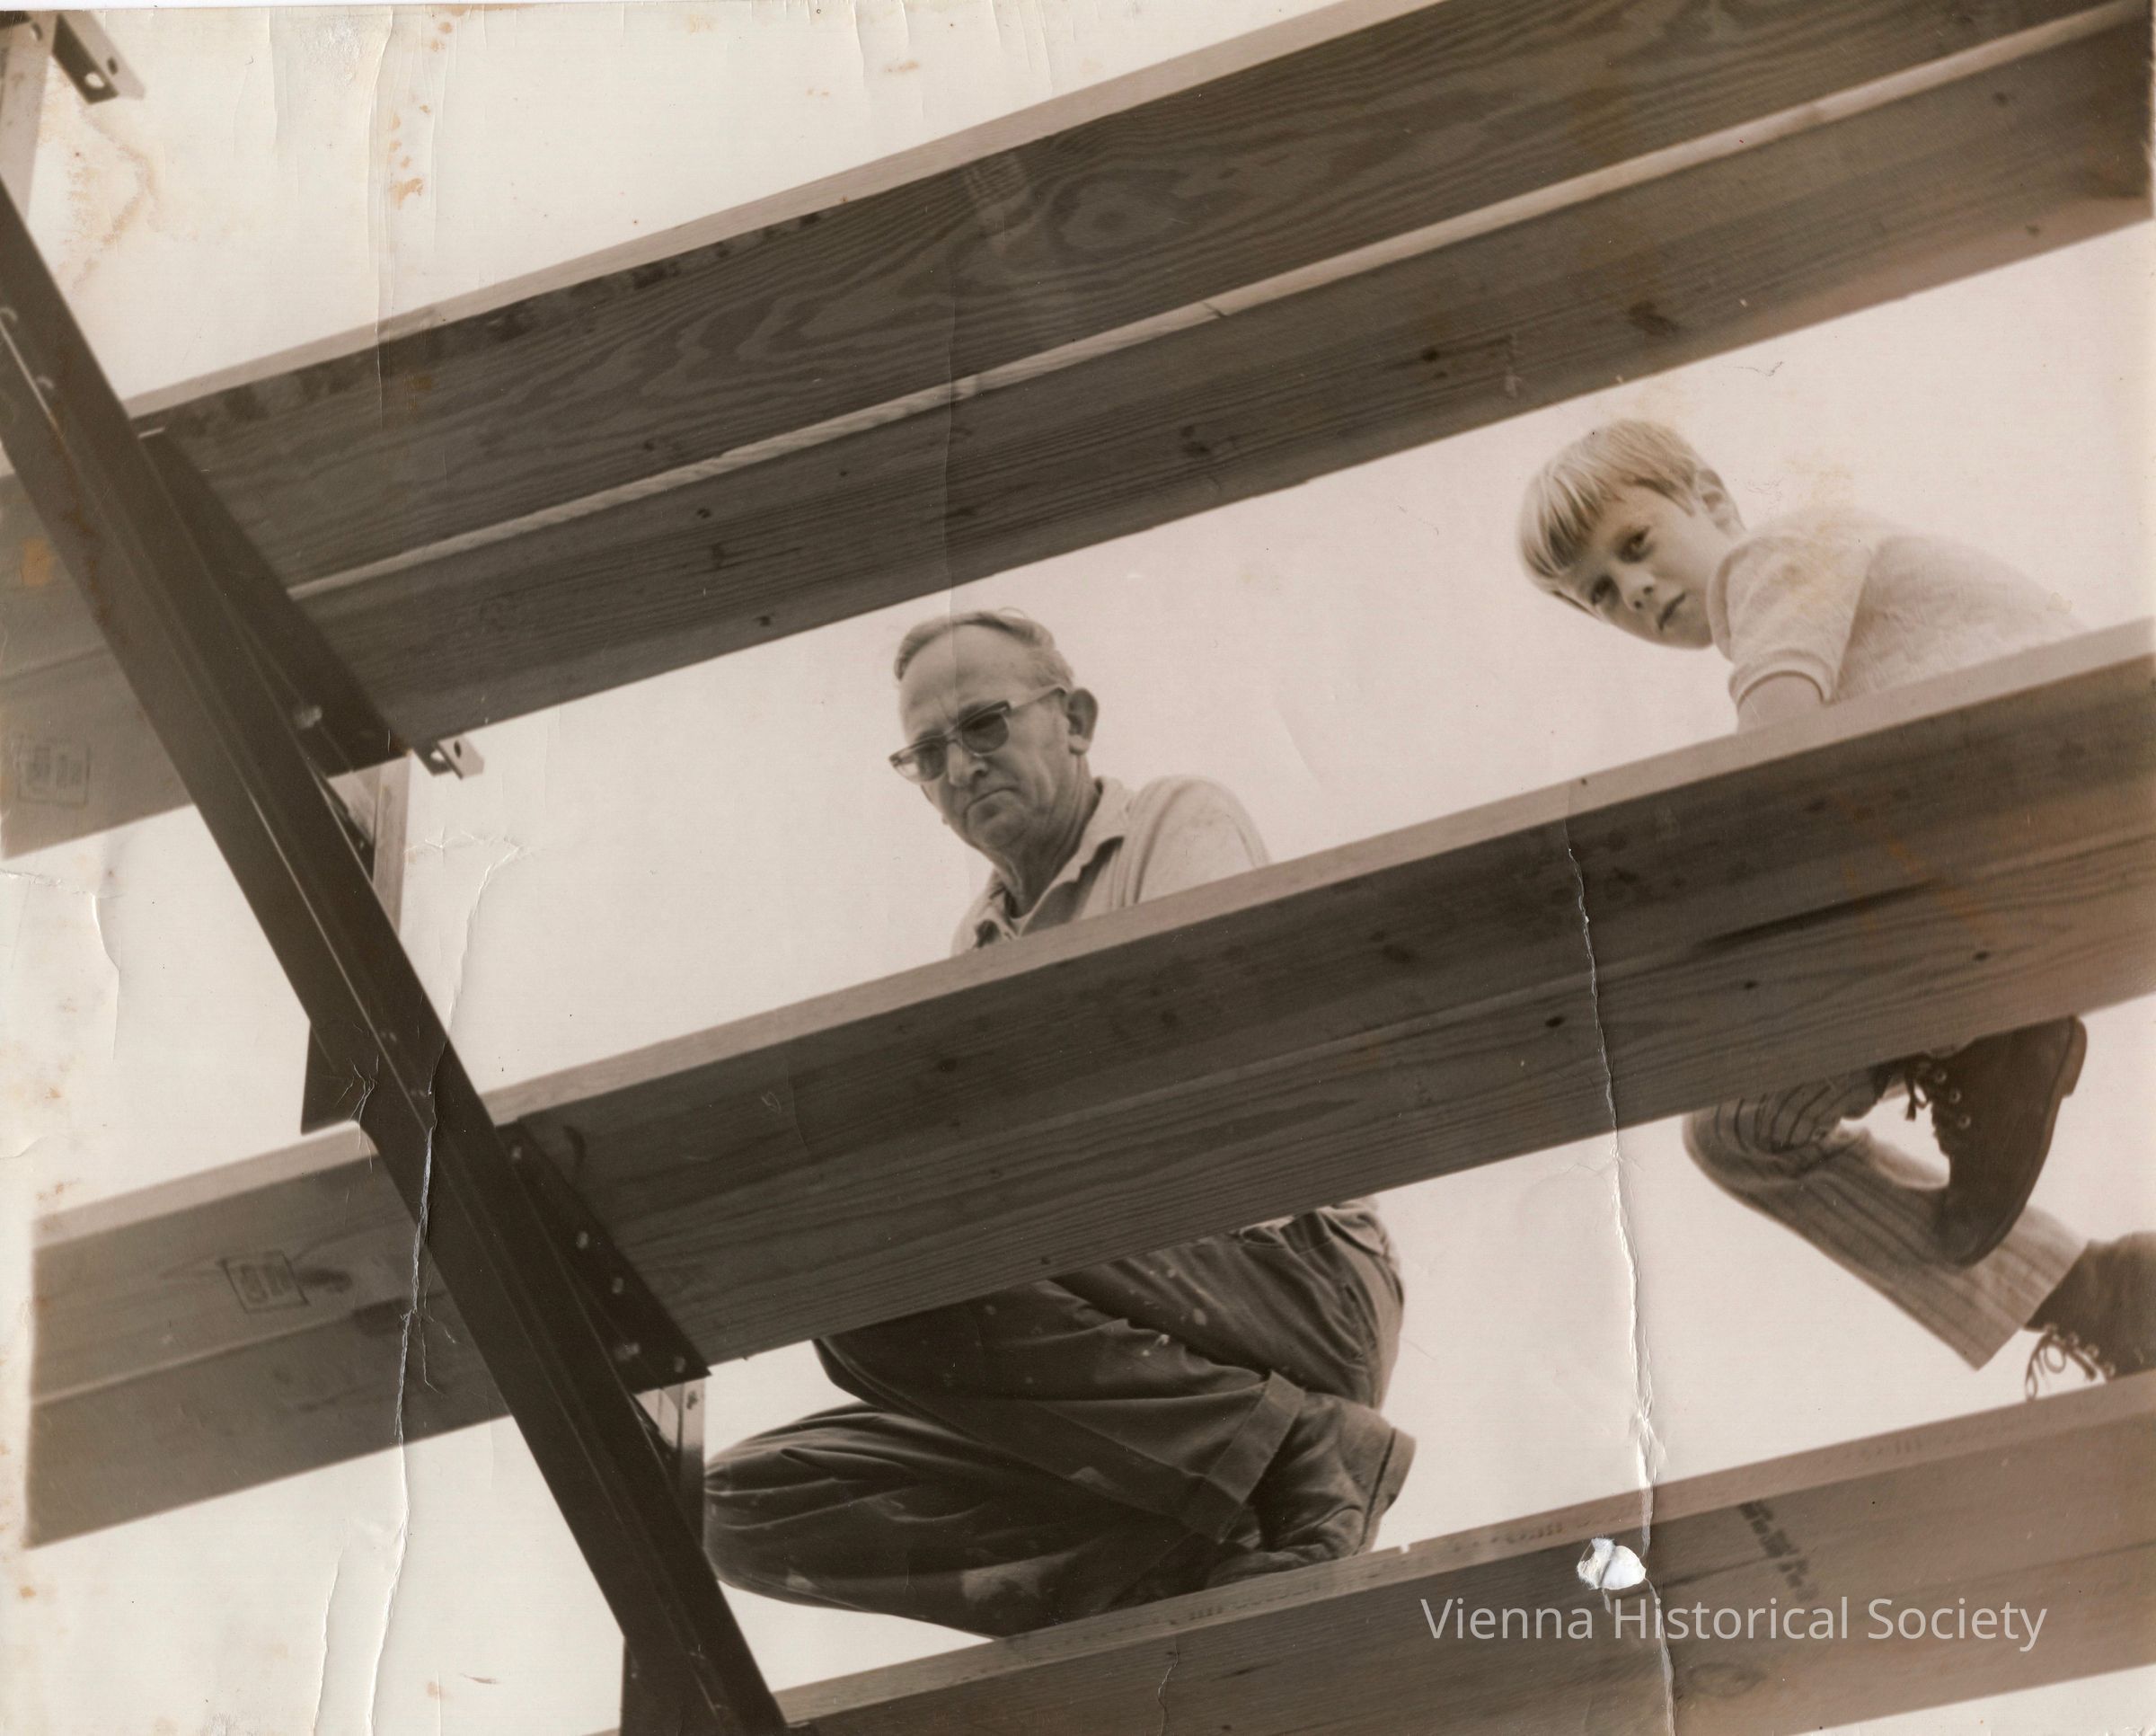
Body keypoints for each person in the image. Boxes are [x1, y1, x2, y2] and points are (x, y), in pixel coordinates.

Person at [702, 608, 1414, 1636]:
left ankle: (1296, 1455)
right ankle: (1204, 1539)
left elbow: (1197, 1083)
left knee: (877, 1265)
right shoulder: (974, 950)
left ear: (1074, 719)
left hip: (1283, 1282)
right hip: (1118, 1344)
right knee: (739, 1503)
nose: (960, 767)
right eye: (929, 753)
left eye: (984, 725)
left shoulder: (1174, 823)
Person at [1514, 420, 2152, 1389]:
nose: (1633, 590)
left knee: (1766, 876)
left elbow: (1772, 766)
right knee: (1737, 1130)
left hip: (2039, 822)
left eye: (1636, 545)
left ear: (1712, 500)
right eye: (1601, 593)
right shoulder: (1788, 610)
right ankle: (2092, 1288)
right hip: (2001, 865)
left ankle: (1984, 1038)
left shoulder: (1781, 555)